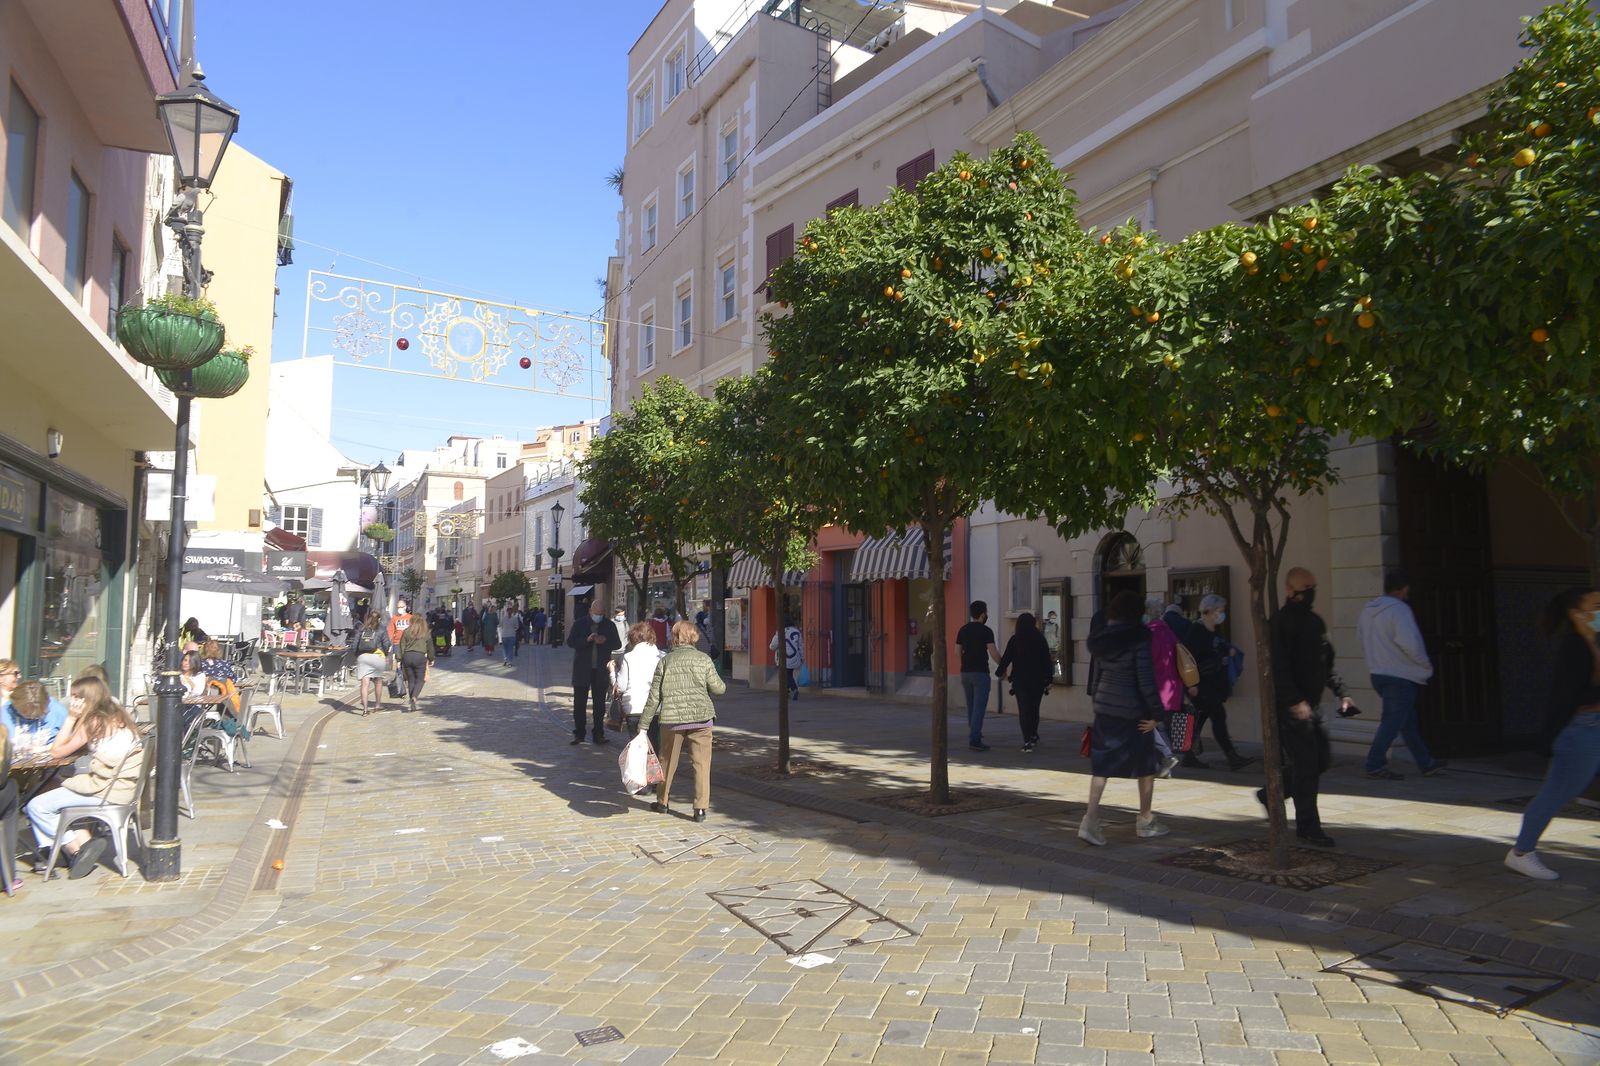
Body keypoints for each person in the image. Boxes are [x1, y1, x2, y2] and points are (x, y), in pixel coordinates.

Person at [1505, 588, 1600, 880]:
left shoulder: (1594, 641)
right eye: (1597, 605)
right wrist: (1550, 738)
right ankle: (1521, 853)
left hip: (1593, 726)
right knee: (1558, 792)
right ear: (1577, 613)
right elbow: (1564, 696)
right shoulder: (1574, 647)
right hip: (1579, 730)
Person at [25, 676, 141, 879]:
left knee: (35, 805)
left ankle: (73, 849)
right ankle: (71, 848)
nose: (72, 702)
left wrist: (71, 718)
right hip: (124, 787)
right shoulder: (118, 714)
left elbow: (56, 752)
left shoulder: (93, 721)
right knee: (52, 787)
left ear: (87, 698)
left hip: (107, 790)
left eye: (75, 697)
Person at [1079, 591, 1168, 846]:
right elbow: (1145, 679)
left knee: (1101, 767)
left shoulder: (1102, 639)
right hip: (1133, 710)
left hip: (1105, 709)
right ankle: (1146, 820)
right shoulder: (1139, 637)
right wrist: (1156, 713)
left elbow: (1096, 676)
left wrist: (1097, 703)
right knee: (1146, 766)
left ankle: (1090, 820)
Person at [1267, 567, 1337, 848]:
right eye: (1304, 588)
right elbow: (1278, 667)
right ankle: (1308, 827)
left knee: (1321, 760)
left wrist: (1341, 691)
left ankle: (1271, 793)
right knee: (1307, 764)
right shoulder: (1280, 623)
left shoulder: (1315, 622)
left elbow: (1326, 661)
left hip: (1312, 706)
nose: (1309, 592)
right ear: (1289, 589)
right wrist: (1294, 701)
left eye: (1312, 587)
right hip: (1290, 708)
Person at [1359, 569, 1444, 779]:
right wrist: (1425, 665)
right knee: (1392, 722)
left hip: (1378, 673)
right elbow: (1411, 644)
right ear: (1404, 589)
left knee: (1406, 721)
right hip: (1399, 675)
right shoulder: (1400, 610)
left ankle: (1426, 762)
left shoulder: (1368, 611)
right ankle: (1374, 764)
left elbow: (1361, 638)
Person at [639, 620, 727, 822]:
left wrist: (643, 725)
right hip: (701, 719)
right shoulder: (704, 659)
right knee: (702, 764)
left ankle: (662, 802)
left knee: (667, 761)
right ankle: (700, 809)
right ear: (694, 637)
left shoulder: (665, 662)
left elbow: (654, 697)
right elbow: (719, 689)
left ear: (675, 637)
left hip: (672, 720)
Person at [1181, 595, 1255, 771]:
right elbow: (1188, 660)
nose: (1221, 614)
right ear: (1208, 611)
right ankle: (1232, 757)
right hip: (1201, 685)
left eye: (1222, 611)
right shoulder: (1196, 631)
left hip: (1213, 684)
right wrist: (1191, 685)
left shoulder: (1213, 631)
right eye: (1219, 611)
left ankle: (1188, 755)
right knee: (1218, 715)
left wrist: (1227, 651)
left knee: (1201, 718)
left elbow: (1216, 648)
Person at [567, 601, 622, 744]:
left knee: (599, 705)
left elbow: (617, 644)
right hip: (582, 669)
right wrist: (586, 640)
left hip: (600, 670)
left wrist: (605, 640)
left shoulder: (609, 625)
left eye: (601, 614)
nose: (598, 616)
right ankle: (579, 733)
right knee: (579, 704)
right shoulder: (580, 623)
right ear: (590, 611)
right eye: (596, 613)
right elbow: (571, 642)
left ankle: (598, 733)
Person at [997, 612, 1052, 751]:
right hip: (1037, 680)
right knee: (1034, 709)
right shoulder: (1040, 639)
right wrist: (1049, 679)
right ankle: (1033, 734)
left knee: (1024, 710)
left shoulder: (1015, 640)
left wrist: (1000, 672)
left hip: (1020, 680)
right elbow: (1047, 660)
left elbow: (1007, 658)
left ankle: (1027, 741)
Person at [1146, 596, 1187, 776]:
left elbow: (1147, 662)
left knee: (1150, 724)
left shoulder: (1149, 634)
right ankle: (1165, 766)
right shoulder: (1169, 633)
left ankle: (1166, 757)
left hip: (1156, 687)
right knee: (1162, 726)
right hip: (1172, 688)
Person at [955, 601, 1000, 751]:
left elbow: (957, 652)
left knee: (971, 706)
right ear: (982, 614)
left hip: (965, 672)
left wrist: (966, 661)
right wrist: (1003, 665)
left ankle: (974, 731)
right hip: (981, 672)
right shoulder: (986, 631)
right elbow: (993, 653)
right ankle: (974, 739)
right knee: (979, 707)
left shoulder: (963, 630)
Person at [611, 621, 664, 744]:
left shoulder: (629, 657)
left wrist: (612, 673)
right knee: (654, 746)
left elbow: (621, 686)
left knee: (637, 746)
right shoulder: (662, 656)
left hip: (634, 708)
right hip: (657, 709)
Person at [3, 680, 70, 750]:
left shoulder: (58, 713)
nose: (30, 717)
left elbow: (68, 743)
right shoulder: (5, 712)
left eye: (36, 715)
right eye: (25, 713)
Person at [392, 600, 433, 712]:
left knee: (411, 680)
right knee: (420, 679)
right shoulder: (425, 631)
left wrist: (398, 659)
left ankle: (412, 699)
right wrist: (431, 658)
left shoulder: (406, 631)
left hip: (407, 657)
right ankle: (414, 697)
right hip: (420, 657)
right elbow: (430, 646)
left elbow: (401, 645)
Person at [353, 610, 392, 713]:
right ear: (379, 619)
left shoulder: (362, 628)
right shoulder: (382, 628)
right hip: (377, 657)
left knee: (364, 683)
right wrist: (386, 655)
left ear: (368, 618)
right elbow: (386, 644)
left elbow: (355, 644)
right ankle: (377, 705)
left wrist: (357, 656)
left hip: (363, 657)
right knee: (378, 681)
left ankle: (365, 709)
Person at [770, 618, 804, 701]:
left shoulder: (780, 632)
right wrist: (802, 658)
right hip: (795, 657)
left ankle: (794, 689)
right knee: (788, 674)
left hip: (784, 658)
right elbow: (801, 646)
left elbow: (772, 646)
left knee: (786, 675)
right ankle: (785, 692)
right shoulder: (797, 631)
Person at [1041, 610, 1063, 679]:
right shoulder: (1044, 625)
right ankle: (1047, 674)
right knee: (1046, 661)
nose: (1053, 618)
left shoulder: (1056, 626)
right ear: (1049, 617)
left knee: (1053, 661)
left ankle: (1052, 674)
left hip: (1054, 647)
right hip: (1046, 646)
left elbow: (1058, 636)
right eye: (1052, 617)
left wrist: (1058, 645)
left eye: (1054, 617)